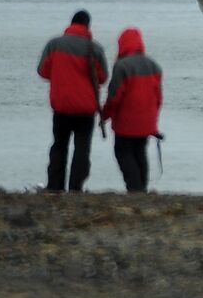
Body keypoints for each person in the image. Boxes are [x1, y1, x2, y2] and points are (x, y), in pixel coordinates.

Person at [37, 10, 108, 192]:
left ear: (71, 23)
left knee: (59, 147)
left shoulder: (54, 45)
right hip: (86, 109)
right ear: (88, 26)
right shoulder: (95, 49)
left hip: (61, 107)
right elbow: (102, 77)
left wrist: (61, 75)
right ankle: (76, 188)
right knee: (82, 150)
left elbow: (43, 71)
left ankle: (55, 186)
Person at [101, 27, 163, 193]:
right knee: (140, 153)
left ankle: (135, 189)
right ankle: (141, 188)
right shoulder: (154, 66)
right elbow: (158, 99)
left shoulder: (122, 66)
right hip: (146, 123)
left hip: (125, 123)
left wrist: (104, 115)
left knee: (123, 153)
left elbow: (114, 96)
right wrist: (152, 121)